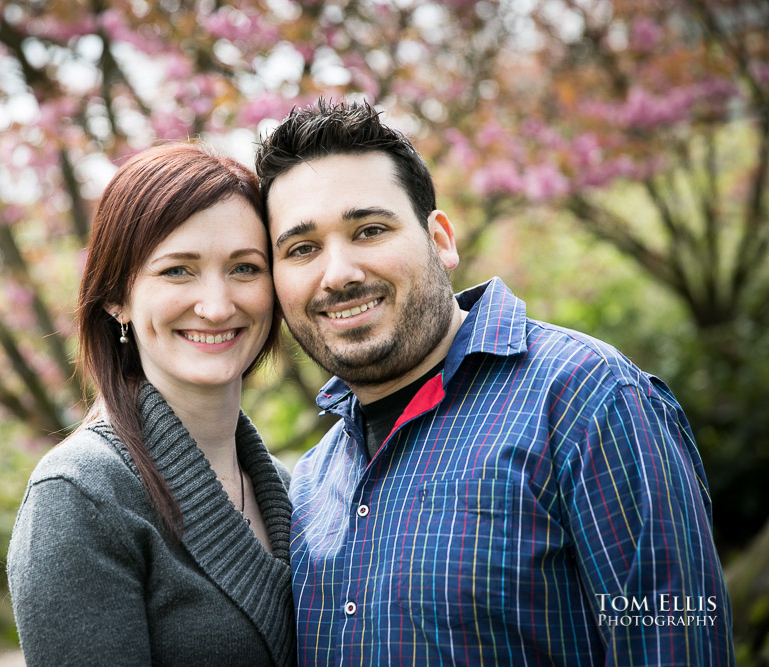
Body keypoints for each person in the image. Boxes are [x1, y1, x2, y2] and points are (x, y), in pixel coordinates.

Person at [254, 100, 734, 665]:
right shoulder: (309, 484)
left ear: (441, 240)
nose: (338, 274)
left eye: (370, 230)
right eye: (302, 249)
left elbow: (677, 642)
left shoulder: (588, 400)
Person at [7, 143, 296, 666]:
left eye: (245, 269)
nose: (216, 305)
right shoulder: (81, 495)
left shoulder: (297, 490)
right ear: (117, 297)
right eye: (178, 271)